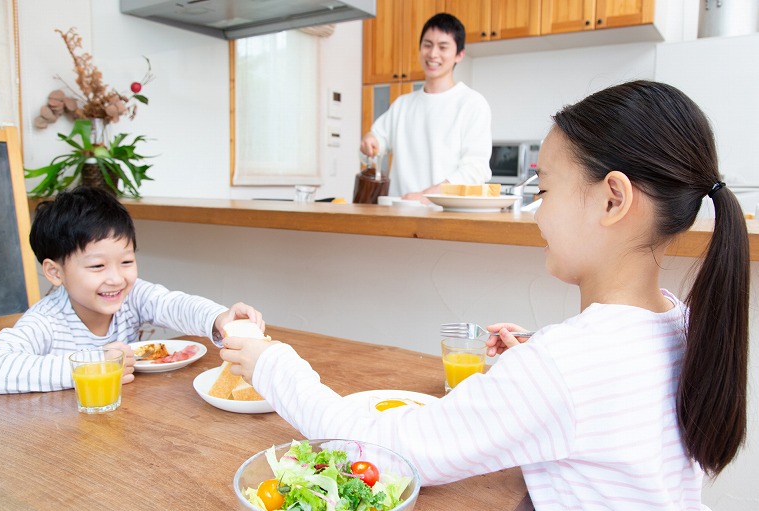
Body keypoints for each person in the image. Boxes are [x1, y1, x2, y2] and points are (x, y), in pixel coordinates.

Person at [221, 81, 749, 509]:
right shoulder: (680, 322)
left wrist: (272, 363)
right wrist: (534, 362)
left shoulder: (562, 369)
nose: (536, 211)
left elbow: (389, 452)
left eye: (542, 190)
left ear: (613, 199)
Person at [0, 186, 265, 394]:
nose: (116, 278)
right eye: (98, 266)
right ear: (55, 272)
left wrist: (219, 319)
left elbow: (173, 304)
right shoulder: (46, 321)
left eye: (126, 262)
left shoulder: (131, 296)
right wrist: (95, 367)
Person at [360, 13, 492, 201]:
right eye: (427, 45)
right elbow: (373, 147)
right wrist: (369, 142)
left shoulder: (472, 104)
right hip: (401, 214)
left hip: (446, 217)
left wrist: (425, 196)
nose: (432, 54)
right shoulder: (402, 105)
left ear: (459, 54)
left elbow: (475, 170)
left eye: (443, 47)